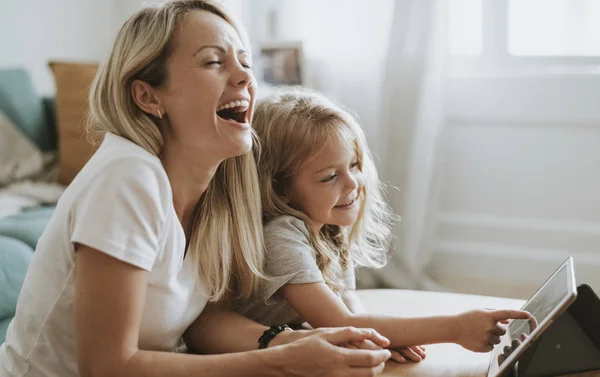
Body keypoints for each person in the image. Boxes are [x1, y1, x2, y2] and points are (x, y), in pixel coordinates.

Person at [0, 2, 393, 377]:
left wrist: (296, 342)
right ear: (148, 96)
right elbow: (106, 367)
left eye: (244, 62)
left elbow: (207, 319)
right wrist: (284, 362)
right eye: (213, 62)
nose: (243, 77)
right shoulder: (126, 177)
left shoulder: (218, 185)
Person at [234, 87, 532, 362]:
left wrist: (379, 337)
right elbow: (339, 322)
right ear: (279, 188)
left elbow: (346, 300)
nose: (353, 183)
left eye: (353, 165)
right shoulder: (282, 237)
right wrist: (455, 327)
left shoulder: (326, 224)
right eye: (329, 177)